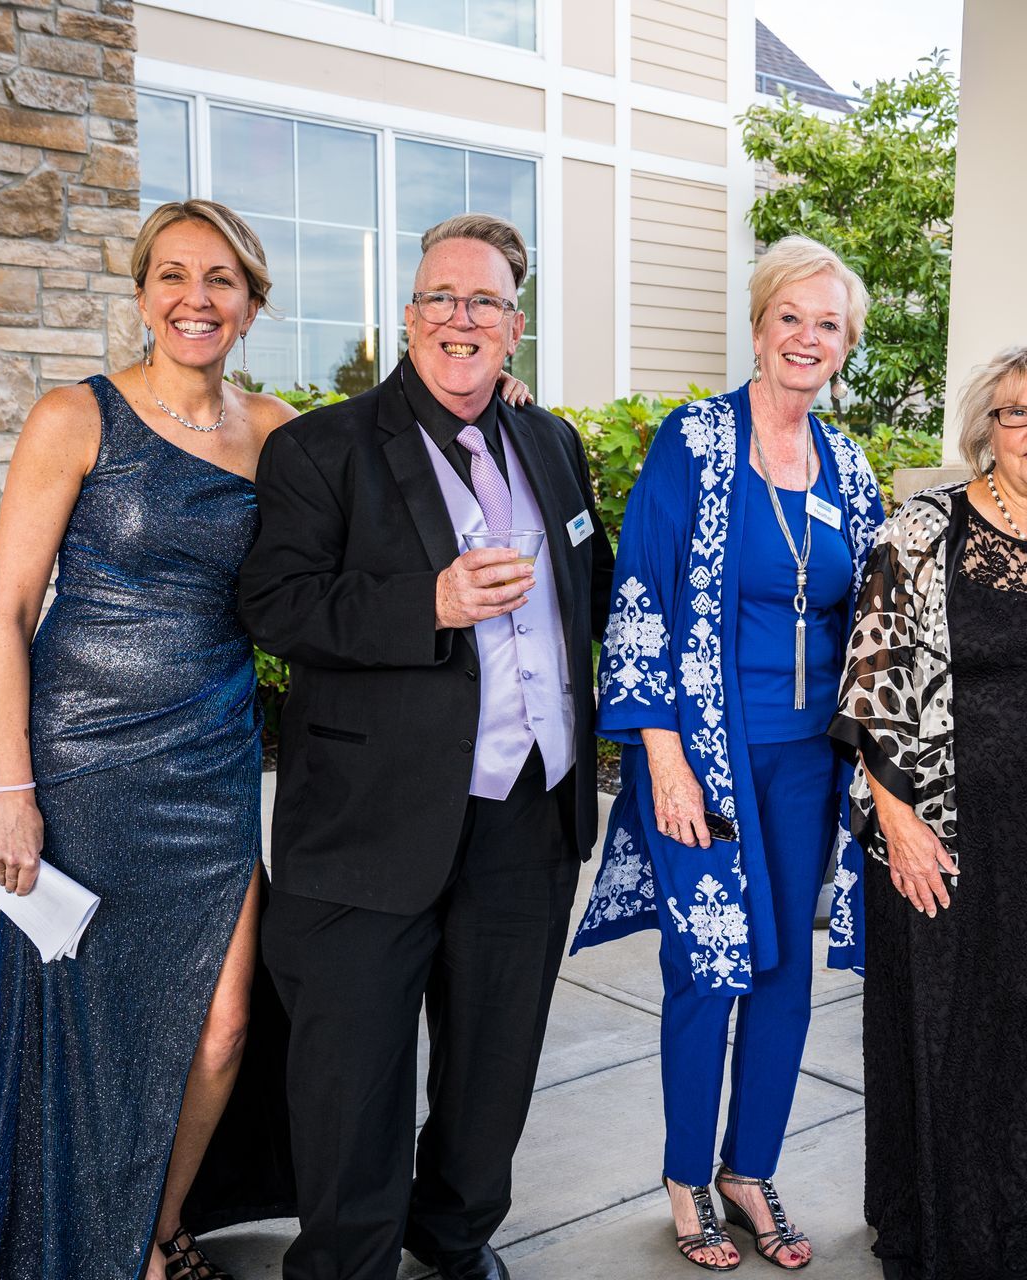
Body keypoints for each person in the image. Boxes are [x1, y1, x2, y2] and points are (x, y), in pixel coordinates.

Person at [237, 212, 612, 1280]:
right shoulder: (320, 446)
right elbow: (275, 604)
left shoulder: (552, 441)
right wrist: (431, 600)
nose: (463, 316)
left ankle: (452, 1238)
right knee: (350, 1079)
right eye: (442, 297)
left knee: (493, 1067)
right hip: (369, 819)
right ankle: (347, 1263)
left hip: (525, 812)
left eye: (485, 301)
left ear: (514, 327)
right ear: (408, 318)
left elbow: (589, 588)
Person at [0, 199, 300, 1280]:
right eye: (171, 275)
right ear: (143, 290)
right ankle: (121, 1251)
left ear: (251, 303)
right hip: (84, 765)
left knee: (222, 1026)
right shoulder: (77, 415)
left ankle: (153, 1222)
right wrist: (12, 787)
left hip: (211, 762)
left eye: (219, 280)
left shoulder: (279, 430)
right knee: (91, 1033)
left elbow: (398, 469)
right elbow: (9, 612)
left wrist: (504, 403)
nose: (193, 299)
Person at [571, 235, 886, 1272]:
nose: (807, 337)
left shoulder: (850, 462)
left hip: (812, 760)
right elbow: (643, 601)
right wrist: (662, 759)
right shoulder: (695, 442)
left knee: (787, 968)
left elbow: (879, 617)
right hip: (707, 751)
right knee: (709, 958)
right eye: (790, 317)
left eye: (827, 324)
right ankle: (684, 1172)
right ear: (759, 328)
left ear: (845, 347)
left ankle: (751, 1167)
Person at [834, 345, 1027, 1280]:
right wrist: (896, 817)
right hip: (939, 821)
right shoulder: (922, 529)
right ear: (985, 429)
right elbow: (869, 685)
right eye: (1019, 413)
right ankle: (938, 1233)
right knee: (944, 1028)